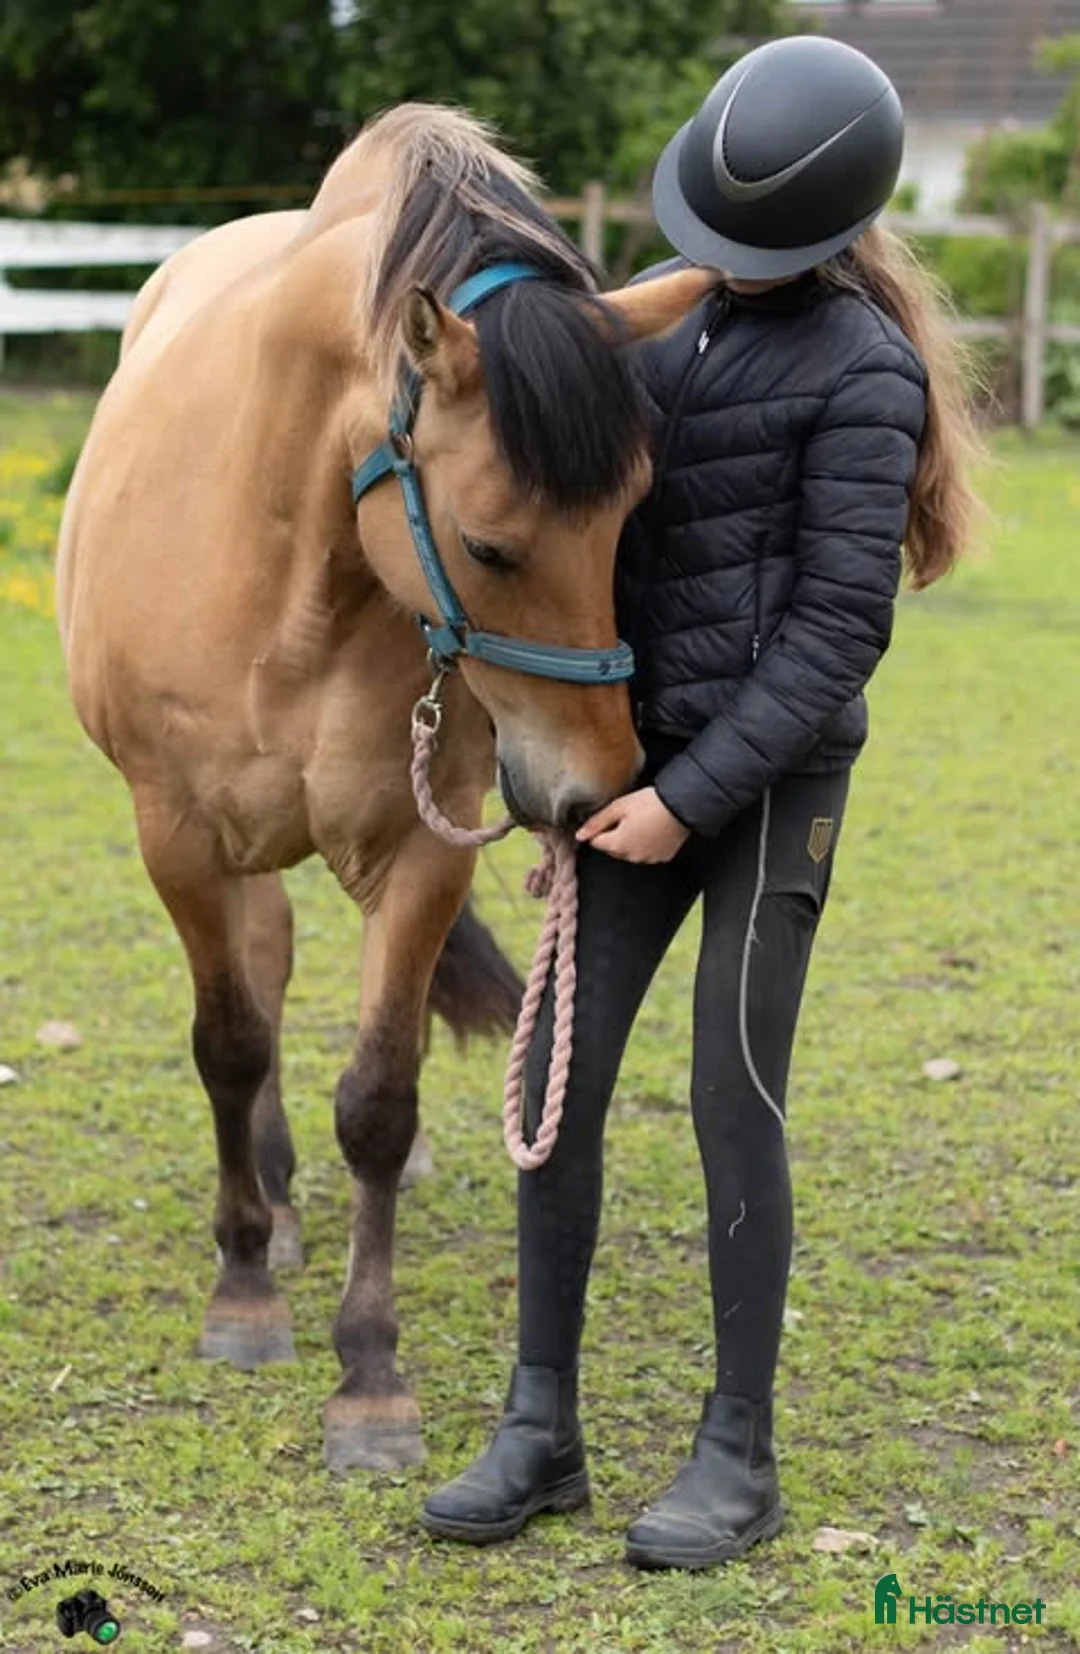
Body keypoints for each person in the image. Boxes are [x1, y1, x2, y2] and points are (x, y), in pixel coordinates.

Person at [422, 34, 982, 1569]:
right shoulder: (657, 342)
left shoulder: (865, 370)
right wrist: (580, 787)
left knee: (734, 1092)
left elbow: (836, 631)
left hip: (774, 784)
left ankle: (741, 1451)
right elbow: (588, 557)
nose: (716, 260)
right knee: (554, 1079)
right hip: (632, 777)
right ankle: (541, 1424)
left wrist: (691, 798)